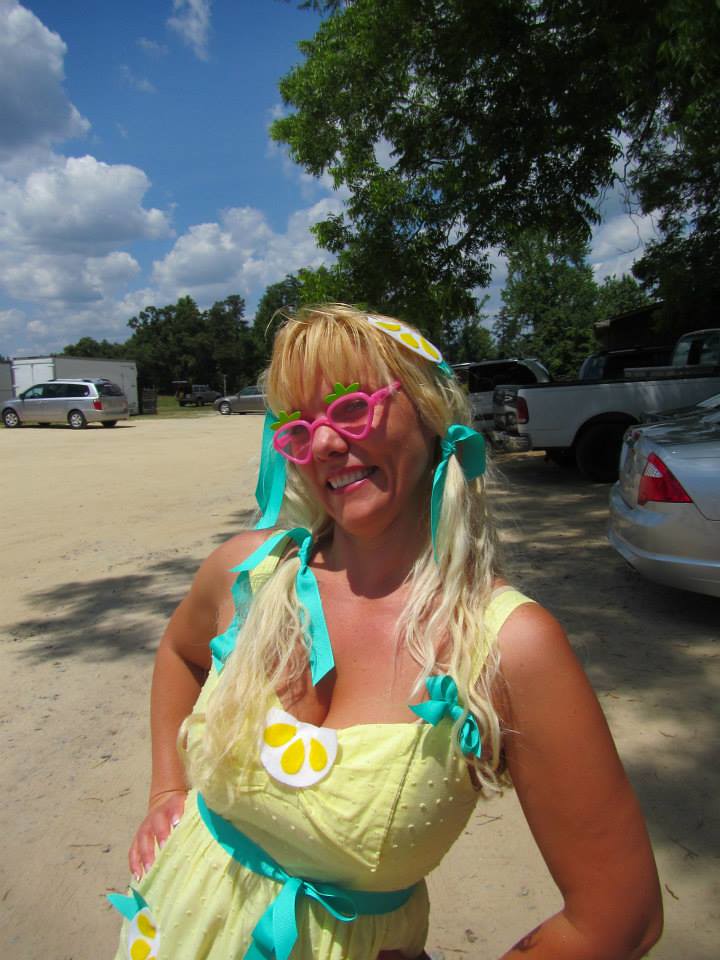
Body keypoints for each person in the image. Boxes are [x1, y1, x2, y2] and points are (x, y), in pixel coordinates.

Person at [109, 305, 662, 960]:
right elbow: (178, 652)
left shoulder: (509, 645)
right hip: (172, 929)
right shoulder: (247, 574)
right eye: (300, 429)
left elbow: (618, 914)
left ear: (430, 414)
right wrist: (167, 788)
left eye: (351, 410)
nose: (324, 446)